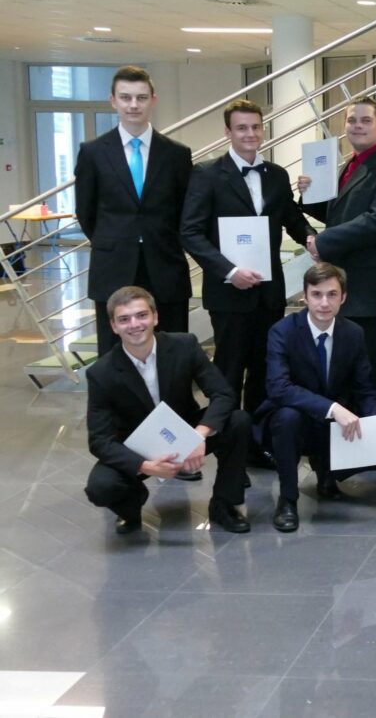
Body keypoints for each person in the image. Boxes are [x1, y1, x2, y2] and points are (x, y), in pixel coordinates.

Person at [181, 99, 316, 428]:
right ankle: (229, 442)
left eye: (256, 127)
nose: (250, 134)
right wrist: (230, 271)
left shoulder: (277, 175)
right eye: (241, 128)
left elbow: (291, 218)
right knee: (228, 370)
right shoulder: (207, 174)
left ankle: (258, 439)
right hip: (228, 293)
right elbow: (190, 232)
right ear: (227, 132)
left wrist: (312, 239)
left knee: (265, 368)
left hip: (269, 291)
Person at [84, 286, 251, 535]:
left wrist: (198, 435)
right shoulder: (101, 373)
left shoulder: (185, 345)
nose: (134, 324)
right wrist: (145, 466)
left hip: (183, 431)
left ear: (155, 317)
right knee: (101, 487)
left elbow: (223, 394)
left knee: (238, 420)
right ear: (114, 326)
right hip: (137, 445)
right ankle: (131, 505)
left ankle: (224, 504)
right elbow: (100, 440)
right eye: (124, 319)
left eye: (141, 315)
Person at [298, 95, 376, 410]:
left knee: (370, 375)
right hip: (348, 285)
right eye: (352, 120)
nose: (357, 126)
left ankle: (373, 435)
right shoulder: (350, 165)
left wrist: (323, 242)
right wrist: (310, 194)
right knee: (344, 372)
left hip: (372, 292)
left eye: (365, 120)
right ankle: (347, 431)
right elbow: (342, 214)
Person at [257, 263, 376, 532]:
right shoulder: (282, 331)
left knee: (363, 419)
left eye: (332, 294)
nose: (324, 303)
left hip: (332, 424)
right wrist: (332, 408)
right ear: (305, 296)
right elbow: (278, 388)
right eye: (316, 294)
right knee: (288, 417)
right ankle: (288, 499)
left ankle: (327, 474)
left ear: (343, 297)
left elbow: (364, 388)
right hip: (293, 418)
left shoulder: (353, 333)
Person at [75, 65, 193, 355]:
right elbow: (86, 212)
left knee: (172, 348)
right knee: (114, 353)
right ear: (113, 100)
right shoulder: (93, 152)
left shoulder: (177, 154)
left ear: (153, 100)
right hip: (113, 265)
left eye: (141, 97)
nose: (133, 105)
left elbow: (185, 211)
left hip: (165, 264)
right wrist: (116, 239)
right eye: (125, 97)